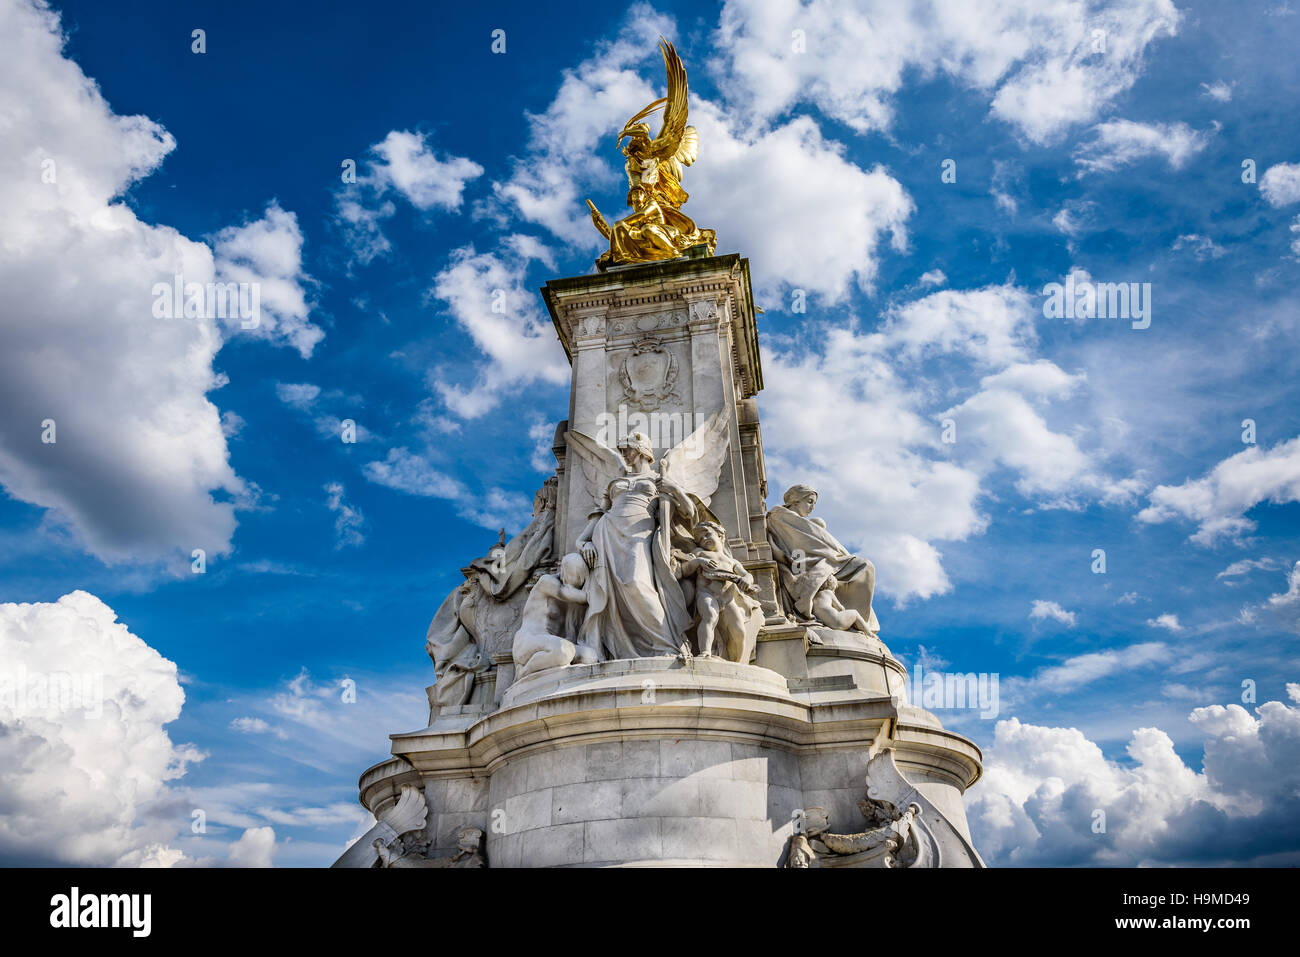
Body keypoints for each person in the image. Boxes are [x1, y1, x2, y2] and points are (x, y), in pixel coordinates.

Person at [574, 431, 696, 660]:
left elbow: (689, 512)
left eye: (626, 448)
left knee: (637, 583)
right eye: (621, 449)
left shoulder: (659, 479)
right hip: (607, 534)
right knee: (610, 593)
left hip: (640, 534)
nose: (623, 453)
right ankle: (617, 648)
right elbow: (598, 516)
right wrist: (583, 544)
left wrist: (673, 488)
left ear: (640, 449)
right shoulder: (615, 481)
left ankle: (667, 646)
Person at [767, 484, 880, 637]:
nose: (812, 506)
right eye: (809, 501)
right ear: (795, 500)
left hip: (819, 560)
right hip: (805, 561)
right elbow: (797, 548)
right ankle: (857, 625)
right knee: (865, 566)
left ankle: (857, 624)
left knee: (865, 567)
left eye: (814, 503)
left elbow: (818, 543)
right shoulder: (780, 516)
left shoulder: (802, 521)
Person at [673, 521, 761, 662]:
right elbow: (685, 570)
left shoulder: (732, 561)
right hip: (706, 593)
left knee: (738, 630)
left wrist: (747, 580)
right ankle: (705, 652)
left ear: (720, 535)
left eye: (708, 534)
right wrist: (699, 561)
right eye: (701, 539)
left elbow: (746, 575)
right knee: (709, 616)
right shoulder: (699, 553)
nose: (705, 539)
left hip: (728, 598)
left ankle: (737, 661)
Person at [512, 553, 589, 680]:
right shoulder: (546, 581)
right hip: (528, 640)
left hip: (551, 643)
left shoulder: (573, 605)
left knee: (590, 656)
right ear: (564, 571)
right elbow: (572, 595)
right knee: (563, 651)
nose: (569, 582)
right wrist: (604, 591)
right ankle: (523, 671)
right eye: (571, 576)